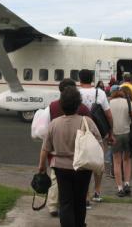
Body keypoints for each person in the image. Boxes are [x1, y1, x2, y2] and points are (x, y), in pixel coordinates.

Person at [38, 86, 103, 227]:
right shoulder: (87, 121)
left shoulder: (54, 124)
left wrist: (42, 166)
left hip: (61, 168)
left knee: (65, 201)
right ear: (78, 104)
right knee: (80, 201)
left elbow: (45, 149)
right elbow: (99, 142)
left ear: (62, 105)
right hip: (83, 167)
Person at [46, 78, 91, 217]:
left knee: (55, 179)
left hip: (56, 150)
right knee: (80, 185)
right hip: (79, 152)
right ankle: (84, 199)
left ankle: (53, 205)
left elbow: (47, 126)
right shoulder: (83, 108)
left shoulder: (52, 106)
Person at [78, 69, 114, 203]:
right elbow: (109, 115)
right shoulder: (100, 93)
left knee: (82, 163)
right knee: (98, 162)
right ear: (92, 78)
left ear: (79, 79)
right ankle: (97, 192)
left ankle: (85, 195)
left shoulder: (76, 93)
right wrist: (111, 132)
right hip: (98, 132)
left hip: (80, 132)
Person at [109, 87, 132, 197]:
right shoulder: (128, 102)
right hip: (127, 133)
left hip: (115, 134)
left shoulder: (110, 102)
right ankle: (127, 183)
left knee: (117, 162)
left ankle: (120, 188)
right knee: (127, 160)